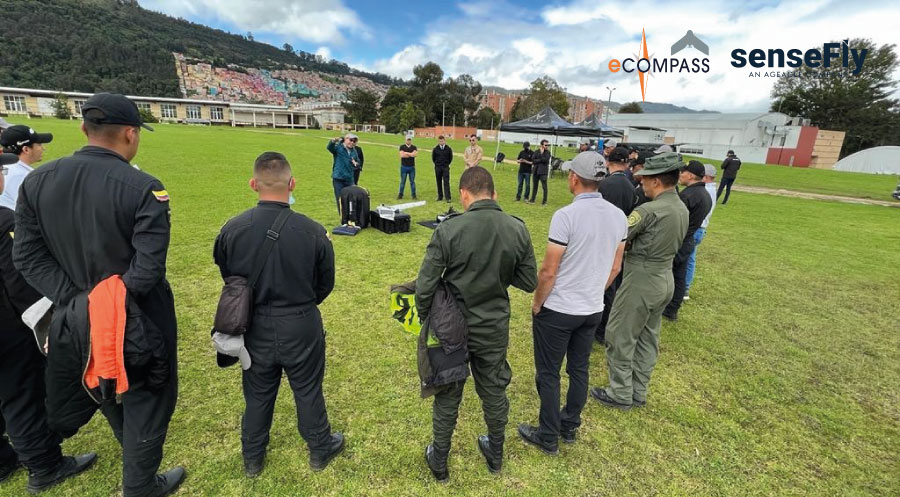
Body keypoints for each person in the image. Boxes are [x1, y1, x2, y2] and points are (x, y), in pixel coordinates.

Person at [12, 93, 184, 497]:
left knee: (105, 382)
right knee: (149, 395)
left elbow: (28, 256)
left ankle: (138, 477)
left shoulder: (38, 181)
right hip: (139, 313)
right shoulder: (143, 187)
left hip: (76, 315)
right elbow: (148, 267)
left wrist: (75, 299)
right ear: (129, 133)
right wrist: (107, 303)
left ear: (84, 130)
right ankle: (140, 487)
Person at [213, 152, 344, 477]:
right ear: (292, 184)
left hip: (254, 324)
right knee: (308, 389)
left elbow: (228, 276)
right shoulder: (313, 231)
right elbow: (324, 284)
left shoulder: (233, 229)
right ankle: (319, 448)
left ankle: (253, 459)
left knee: (257, 393)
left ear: (254, 184)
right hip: (300, 323)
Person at [417, 166, 537, 481]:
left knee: (448, 392)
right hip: (493, 325)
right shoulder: (517, 229)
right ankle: (495, 454)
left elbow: (425, 286)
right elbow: (528, 281)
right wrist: (497, 270)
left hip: (450, 328)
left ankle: (439, 460)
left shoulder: (449, 230)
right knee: (493, 389)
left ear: (464, 195)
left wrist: (424, 319)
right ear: (494, 194)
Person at [0, 153, 98, 494]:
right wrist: (44, 325)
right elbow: (21, 280)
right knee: (21, 394)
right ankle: (44, 465)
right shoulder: (3, 221)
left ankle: (2, 459)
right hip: (8, 329)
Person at [517, 152, 626, 455]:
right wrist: (594, 291)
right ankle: (569, 425)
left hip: (559, 309)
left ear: (575, 178)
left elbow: (549, 270)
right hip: (592, 308)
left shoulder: (565, 216)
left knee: (549, 373)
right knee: (579, 369)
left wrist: (538, 302)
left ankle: (548, 435)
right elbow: (615, 267)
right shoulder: (618, 216)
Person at [589, 152, 688, 410]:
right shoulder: (680, 208)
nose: (641, 183)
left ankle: (620, 391)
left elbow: (618, 235)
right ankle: (638, 390)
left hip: (641, 280)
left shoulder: (648, 211)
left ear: (656, 181)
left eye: (644, 178)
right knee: (647, 337)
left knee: (620, 333)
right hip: (665, 278)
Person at [595, 147, 636, 344]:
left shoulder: (603, 185)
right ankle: (604, 328)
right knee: (613, 284)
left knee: (599, 284)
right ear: (627, 163)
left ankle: (597, 328)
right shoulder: (631, 186)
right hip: (620, 239)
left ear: (608, 162)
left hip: (601, 238)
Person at [662, 161, 712, 321]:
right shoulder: (705, 194)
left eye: (683, 172)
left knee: (669, 273)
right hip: (688, 239)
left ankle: (667, 306)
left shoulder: (688, 195)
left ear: (690, 175)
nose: (680, 175)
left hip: (680, 240)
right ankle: (673, 308)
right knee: (680, 275)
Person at [684, 164, 718, 299]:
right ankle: (685, 287)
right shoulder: (710, 190)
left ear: (707, 177)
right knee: (690, 257)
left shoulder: (705, 191)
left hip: (697, 228)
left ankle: (685, 287)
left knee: (688, 258)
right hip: (701, 228)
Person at [0, 125, 53, 210]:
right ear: (26, 149)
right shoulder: (21, 176)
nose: (43, 148)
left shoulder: (5, 167)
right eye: (39, 144)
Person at [327, 133, 359, 215]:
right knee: (340, 199)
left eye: (354, 141)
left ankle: (351, 216)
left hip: (349, 179)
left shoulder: (354, 152)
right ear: (345, 139)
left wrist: (356, 164)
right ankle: (343, 218)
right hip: (338, 178)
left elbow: (358, 163)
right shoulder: (339, 148)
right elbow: (329, 147)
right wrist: (333, 141)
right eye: (350, 140)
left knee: (352, 198)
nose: (352, 142)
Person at [432, 135, 453, 202]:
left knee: (446, 182)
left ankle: (448, 197)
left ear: (444, 141)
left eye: (442, 141)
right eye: (440, 141)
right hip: (438, 167)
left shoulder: (448, 148)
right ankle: (440, 196)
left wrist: (447, 164)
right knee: (438, 182)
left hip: (445, 167)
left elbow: (450, 158)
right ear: (438, 141)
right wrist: (437, 164)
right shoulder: (435, 149)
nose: (441, 142)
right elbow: (433, 158)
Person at [529, 140, 550, 205]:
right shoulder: (536, 152)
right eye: (545, 145)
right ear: (541, 145)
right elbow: (533, 160)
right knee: (535, 186)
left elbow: (545, 160)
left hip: (543, 172)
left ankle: (544, 201)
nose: (547, 146)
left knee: (544, 187)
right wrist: (540, 160)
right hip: (535, 171)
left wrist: (541, 154)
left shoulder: (548, 153)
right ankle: (532, 200)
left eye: (548, 145)